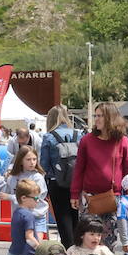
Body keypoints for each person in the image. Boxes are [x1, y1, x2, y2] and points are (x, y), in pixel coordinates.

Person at [71, 102, 128, 250]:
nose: (96, 119)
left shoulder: (123, 142)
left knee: (108, 242)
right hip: (89, 198)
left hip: (113, 199)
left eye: (100, 116)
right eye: (95, 115)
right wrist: (74, 194)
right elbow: (79, 169)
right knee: (87, 240)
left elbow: (127, 171)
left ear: (110, 118)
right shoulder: (87, 140)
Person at [40, 105, 82, 247]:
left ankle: (69, 251)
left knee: (63, 221)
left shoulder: (49, 137)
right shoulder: (78, 134)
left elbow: (44, 164)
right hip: (76, 182)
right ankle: (79, 250)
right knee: (76, 218)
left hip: (56, 182)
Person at [0, 146, 48, 239]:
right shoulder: (13, 177)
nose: (32, 162)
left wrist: (10, 197)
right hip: (20, 217)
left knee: (35, 247)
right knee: (20, 247)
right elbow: (4, 192)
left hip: (36, 216)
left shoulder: (37, 177)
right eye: (28, 159)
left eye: (34, 159)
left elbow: (35, 198)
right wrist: (0, 178)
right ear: (21, 160)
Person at [7, 179, 40, 255]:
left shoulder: (17, 212)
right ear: (24, 198)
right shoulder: (28, 215)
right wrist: (40, 249)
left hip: (13, 254)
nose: (38, 201)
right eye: (36, 198)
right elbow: (29, 238)